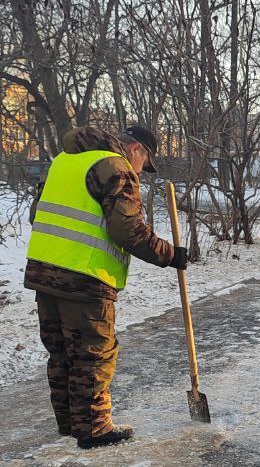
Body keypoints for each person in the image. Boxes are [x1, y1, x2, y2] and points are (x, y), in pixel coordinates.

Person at [25, 123, 187, 448]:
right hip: (86, 277)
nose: (141, 170)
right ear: (137, 149)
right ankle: (94, 428)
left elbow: (35, 215)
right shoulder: (116, 167)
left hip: (45, 272)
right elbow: (126, 229)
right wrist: (170, 254)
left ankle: (70, 423)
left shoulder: (65, 161)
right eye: (145, 162)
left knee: (61, 353)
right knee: (93, 354)